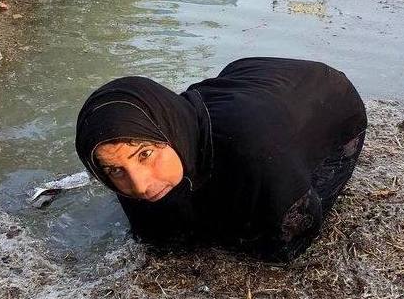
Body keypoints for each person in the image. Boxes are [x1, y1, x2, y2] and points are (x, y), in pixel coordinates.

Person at [74, 57, 367, 262]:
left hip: (331, 101)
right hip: (250, 79)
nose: (139, 185)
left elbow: (296, 235)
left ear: (166, 130)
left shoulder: (255, 151)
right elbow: (156, 235)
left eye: (145, 154)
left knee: (263, 244)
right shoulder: (138, 142)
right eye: (115, 170)